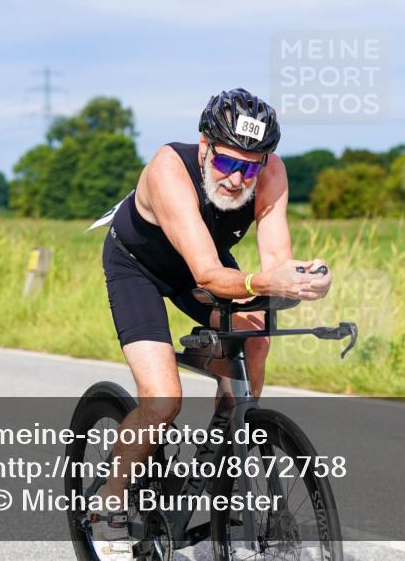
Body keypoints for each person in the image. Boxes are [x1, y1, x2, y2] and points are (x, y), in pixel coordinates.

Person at [92, 87, 332, 514]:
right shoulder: (169, 169)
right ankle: (110, 499)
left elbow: (276, 259)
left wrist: (306, 279)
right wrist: (266, 281)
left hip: (202, 261)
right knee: (163, 399)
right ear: (204, 147)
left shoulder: (272, 172)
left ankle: (221, 447)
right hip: (140, 267)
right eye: (225, 162)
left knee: (256, 336)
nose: (237, 179)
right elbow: (208, 274)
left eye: (249, 168)